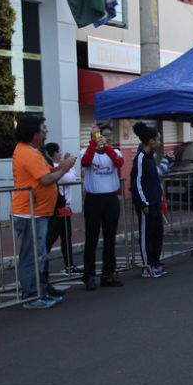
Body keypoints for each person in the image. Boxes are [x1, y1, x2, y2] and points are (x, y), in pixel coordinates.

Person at [12, 116, 76, 309]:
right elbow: (47, 179)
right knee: (32, 256)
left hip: (37, 212)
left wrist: (61, 166)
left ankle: (39, 292)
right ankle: (32, 296)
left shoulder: (33, 151)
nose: (46, 130)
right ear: (34, 132)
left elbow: (49, 172)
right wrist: (64, 168)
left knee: (38, 254)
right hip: (30, 213)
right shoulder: (27, 153)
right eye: (43, 128)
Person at [79, 124, 124, 291]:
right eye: (103, 136)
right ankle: (89, 275)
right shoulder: (86, 151)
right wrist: (93, 143)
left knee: (110, 238)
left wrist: (107, 147)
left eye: (109, 137)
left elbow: (119, 163)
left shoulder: (115, 152)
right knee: (91, 238)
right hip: (93, 200)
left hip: (110, 199)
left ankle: (108, 274)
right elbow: (85, 162)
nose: (106, 139)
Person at [131, 122, 174, 278]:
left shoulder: (150, 158)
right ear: (151, 141)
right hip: (146, 204)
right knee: (147, 235)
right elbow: (136, 182)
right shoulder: (141, 158)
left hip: (155, 202)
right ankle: (147, 266)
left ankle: (155, 263)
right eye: (158, 140)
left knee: (157, 233)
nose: (160, 143)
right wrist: (143, 203)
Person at [44, 142, 81, 276]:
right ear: (54, 153)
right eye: (59, 152)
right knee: (53, 238)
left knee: (66, 237)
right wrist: (69, 166)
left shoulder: (57, 167)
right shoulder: (55, 168)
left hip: (64, 207)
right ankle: (44, 267)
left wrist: (65, 163)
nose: (60, 154)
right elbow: (70, 178)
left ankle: (69, 265)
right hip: (58, 207)